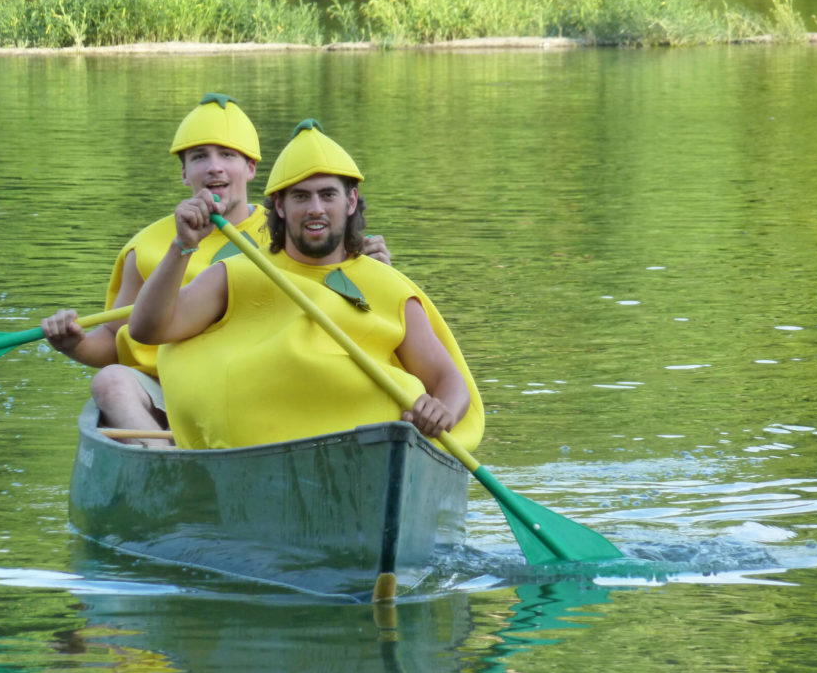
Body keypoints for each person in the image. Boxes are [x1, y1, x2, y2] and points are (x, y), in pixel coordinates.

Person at [40, 94, 391, 447]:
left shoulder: (295, 234)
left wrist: (379, 277)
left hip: (259, 382)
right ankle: (165, 458)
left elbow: (338, 305)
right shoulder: (145, 247)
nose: (214, 167)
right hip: (165, 389)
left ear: (251, 167)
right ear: (183, 172)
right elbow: (119, 340)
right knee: (111, 381)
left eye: (227, 155)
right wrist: (76, 345)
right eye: (199, 157)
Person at [129, 119, 484, 452]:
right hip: (260, 457)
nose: (315, 208)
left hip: (369, 455)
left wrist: (444, 412)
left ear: (351, 201)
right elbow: (147, 329)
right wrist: (182, 246)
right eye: (301, 196)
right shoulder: (237, 273)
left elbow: (449, 382)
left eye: (328, 195)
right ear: (280, 206)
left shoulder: (386, 285)